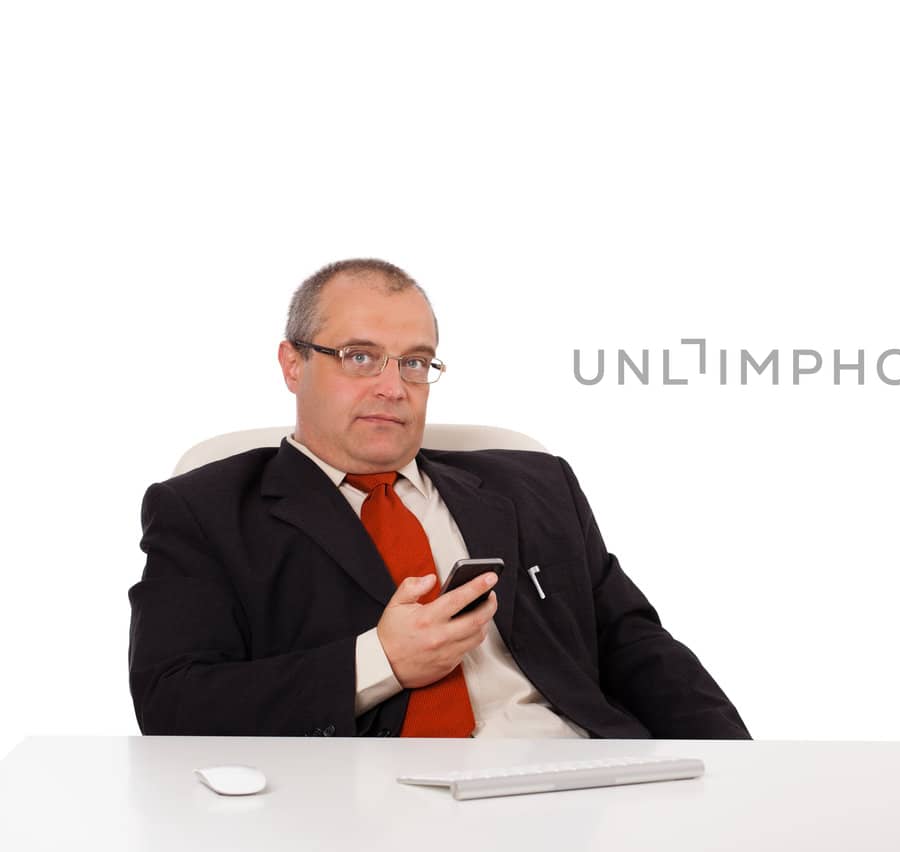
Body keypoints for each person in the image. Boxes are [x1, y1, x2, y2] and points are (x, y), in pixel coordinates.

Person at [128, 258, 749, 740]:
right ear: (293, 364)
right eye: (360, 357)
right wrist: (381, 660)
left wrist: (743, 772)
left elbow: (636, 647)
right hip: (366, 809)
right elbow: (172, 702)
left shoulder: (537, 486)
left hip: (577, 781)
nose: (394, 388)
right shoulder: (204, 512)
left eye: (416, 363)